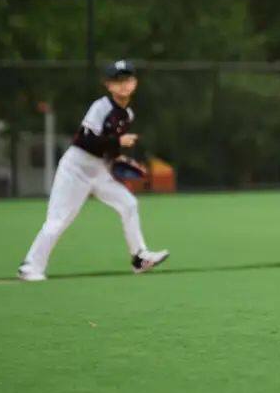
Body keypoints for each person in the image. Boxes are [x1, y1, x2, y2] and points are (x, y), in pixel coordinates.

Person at [18, 60, 169, 281]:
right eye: (117, 81)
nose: (123, 85)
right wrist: (118, 142)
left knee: (128, 204)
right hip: (76, 168)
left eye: (128, 79)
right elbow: (86, 140)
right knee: (59, 219)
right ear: (108, 85)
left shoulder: (128, 115)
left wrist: (119, 159)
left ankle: (139, 258)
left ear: (135, 83)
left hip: (98, 171)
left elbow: (107, 149)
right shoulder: (102, 107)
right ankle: (30, 267)